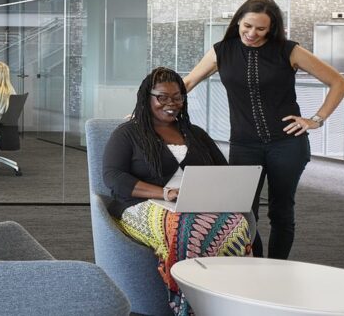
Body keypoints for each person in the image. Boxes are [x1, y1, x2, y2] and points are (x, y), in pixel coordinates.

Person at [183, 0, 344, 260]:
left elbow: (339, 82)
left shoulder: (288, 50)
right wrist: (147, 107)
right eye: (247, 26)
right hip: (244, 144)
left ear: (272, 29)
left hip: (287, 144)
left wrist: (316, 119)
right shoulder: (222, 51)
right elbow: (188, 82)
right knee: (243, 211)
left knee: (281, 210)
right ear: (238, 21)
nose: (252, 33)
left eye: (260, 29)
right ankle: (255, 263)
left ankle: (278, 266)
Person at [103, 67, 253, 316]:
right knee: (187, 229)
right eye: (162, 97)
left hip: (196, 204)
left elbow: (222, 171)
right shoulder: (128, 133)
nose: (170, 103)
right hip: (143, 205)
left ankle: (229, 301)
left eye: (177, 97)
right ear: (147, 98)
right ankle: (189, 307)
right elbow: (113, 176)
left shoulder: (196, 134)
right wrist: (164, 193)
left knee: (235, 222)